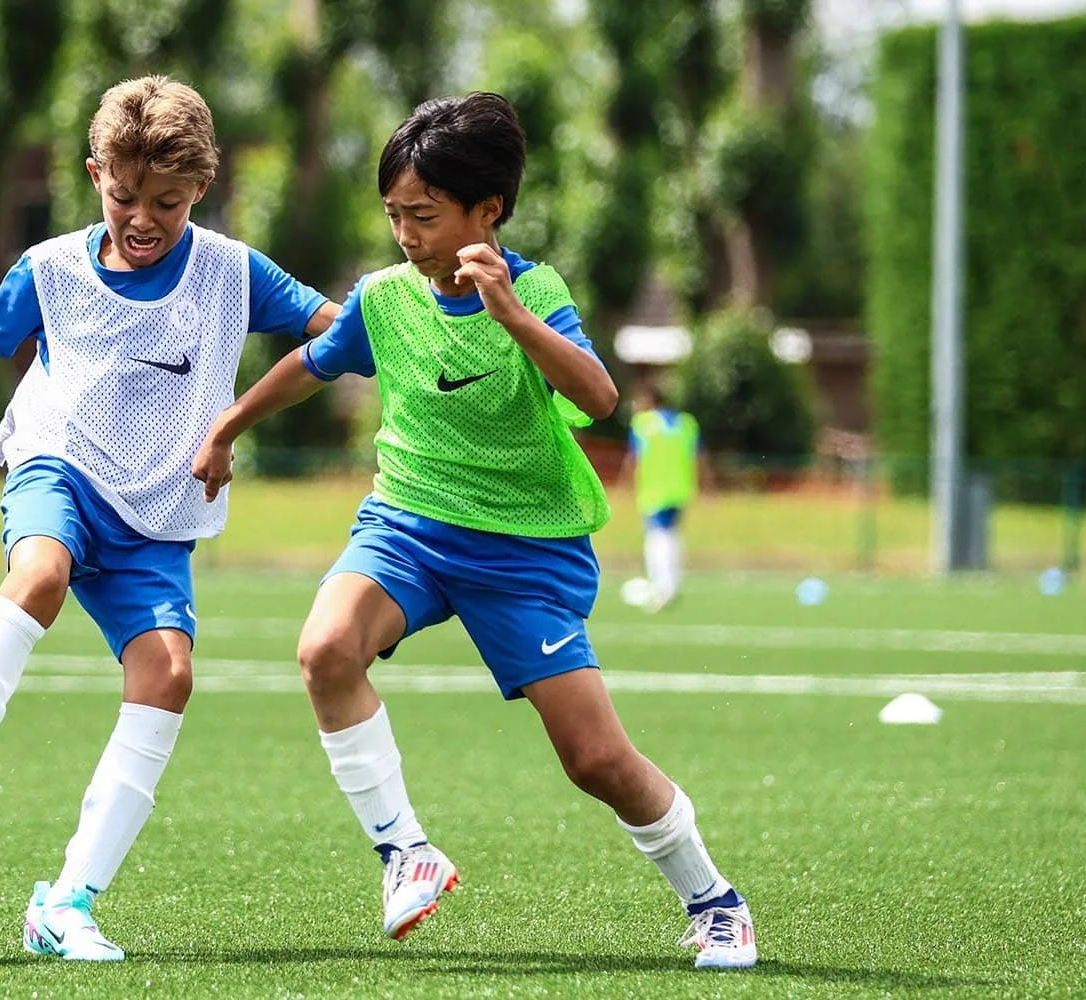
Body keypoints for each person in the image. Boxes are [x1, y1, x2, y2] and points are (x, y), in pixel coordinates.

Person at [193, 92, 757, 969]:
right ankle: (405, 851)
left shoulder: (536, 293)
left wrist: (514, 318)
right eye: (393, 215)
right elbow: (310, 363)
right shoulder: (384, 299)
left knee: (594, 758)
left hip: (525, 551)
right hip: (409, 526)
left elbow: (600, 399)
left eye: (422, 215)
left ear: (486, 211)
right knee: (325, 650)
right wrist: (226, 430)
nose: (405, 235)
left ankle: (715, 901)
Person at [0, 75, 338, 963]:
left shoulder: (233, 273)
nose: (143, 217)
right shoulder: (49, 269)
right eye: (124, 196)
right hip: (60, 468)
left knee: (169, 676)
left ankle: (68, 902)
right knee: (38, 574)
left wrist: (426, 321)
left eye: (167, 200)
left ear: (202, 188)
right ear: (95, 174)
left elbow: (341, 330)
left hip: (158, 514)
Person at [619, 383, 706, 611]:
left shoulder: (643, 424)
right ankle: (673, 583)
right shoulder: (686, 423)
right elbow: (698, 456)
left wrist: (625, 485)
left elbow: (633, 459)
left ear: (649, 400)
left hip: (654, 490)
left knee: (657, 538)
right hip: (680, 488)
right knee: (672, 536)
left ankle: (662, 588)